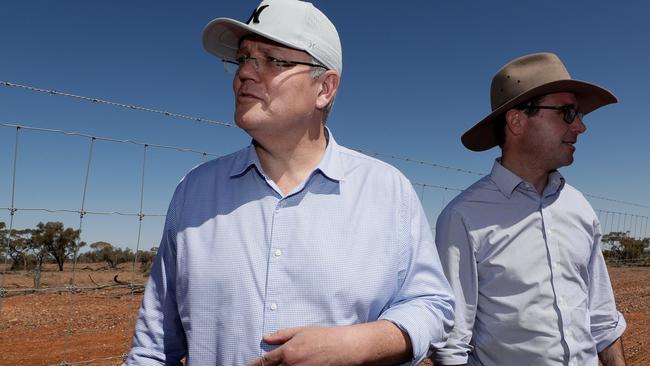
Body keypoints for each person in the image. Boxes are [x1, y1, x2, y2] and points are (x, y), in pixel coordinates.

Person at [125, 1, 454, 365]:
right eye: (242, 59)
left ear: (324, 88)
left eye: (272, 60)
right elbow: (153, 349)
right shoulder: (195, 192)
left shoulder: (388, 192)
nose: (244, 74)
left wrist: (358, 345)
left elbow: (432, 304)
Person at [433, 52, 627, 366]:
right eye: (567, 113)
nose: (580, 127)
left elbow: (602, 321)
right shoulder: (464, 218)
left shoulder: (580, 209)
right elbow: (452, 346)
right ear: (517, 120)